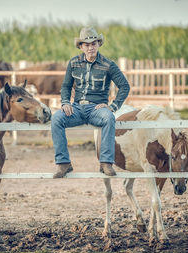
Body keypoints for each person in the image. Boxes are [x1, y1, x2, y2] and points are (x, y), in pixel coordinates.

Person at [52, 27, 130, 178]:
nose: (90, 47)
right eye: (86, 45)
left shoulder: (108, 64)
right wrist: (65, 102)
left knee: (108, 118)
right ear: (81, 46)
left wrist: (112, 106)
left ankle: (106, 163)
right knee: (56, 119)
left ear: (99, 44)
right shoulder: (73, 63)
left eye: (93, 43)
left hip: (97, 108)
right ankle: (63, 164)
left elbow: (124, 86)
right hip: (76, 108)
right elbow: (66, 86)